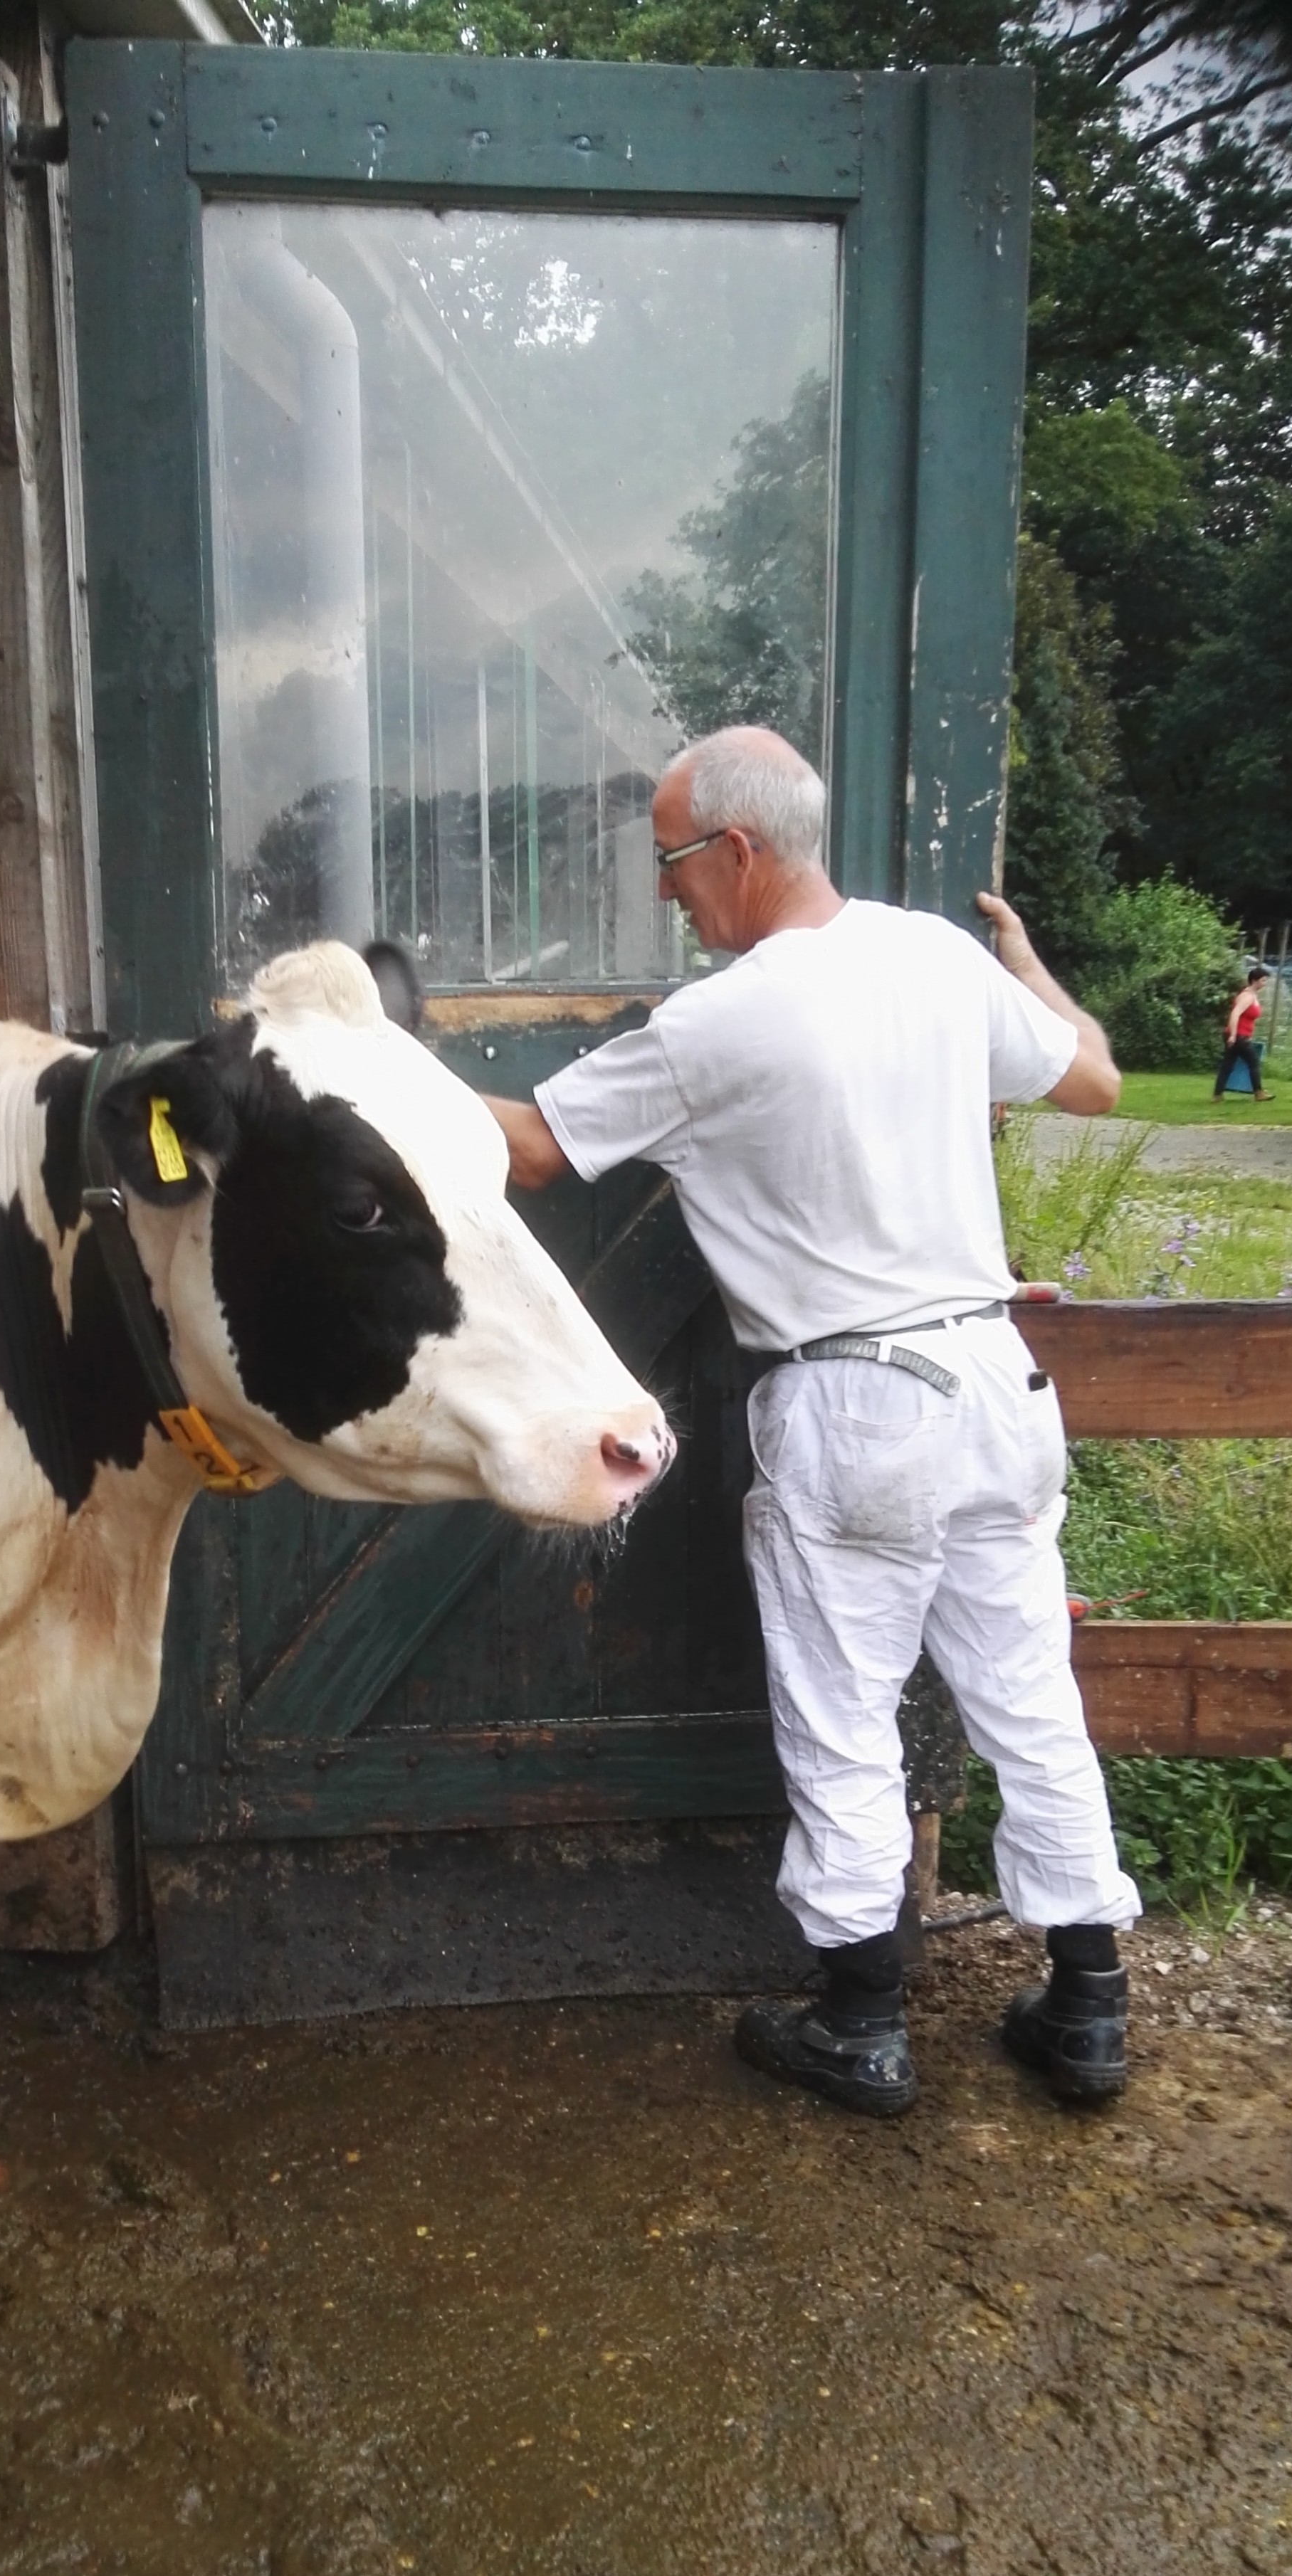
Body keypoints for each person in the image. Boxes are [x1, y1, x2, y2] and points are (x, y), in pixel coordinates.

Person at [480, 725, 1140, 2121]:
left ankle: (860, 2025)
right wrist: (1025, 966)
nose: (665, 891)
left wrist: (357, 1071)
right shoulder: (936, 959)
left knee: (842, 1716)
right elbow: (1093, 1078)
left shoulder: (723, 1022)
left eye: (670, 860)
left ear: (736, 848)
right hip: (996, 1381)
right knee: (1031, 1696)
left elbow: (529, 1148)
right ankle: (1087, 2008)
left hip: (855, 1402)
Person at [1214, 966, 1271, 1098]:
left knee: (1228, 1064)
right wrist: (1233, 1035)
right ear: (1254, 981)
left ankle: (1217, 1095)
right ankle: (1259, 1093)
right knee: (1253, 1061)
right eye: (1263, 980)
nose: (1265, 983)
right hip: (1238, 1036)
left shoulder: (1252, 996)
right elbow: (1235, 1014)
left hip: (1240, 1035)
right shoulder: (1247, 997)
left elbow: (1247, 1019)